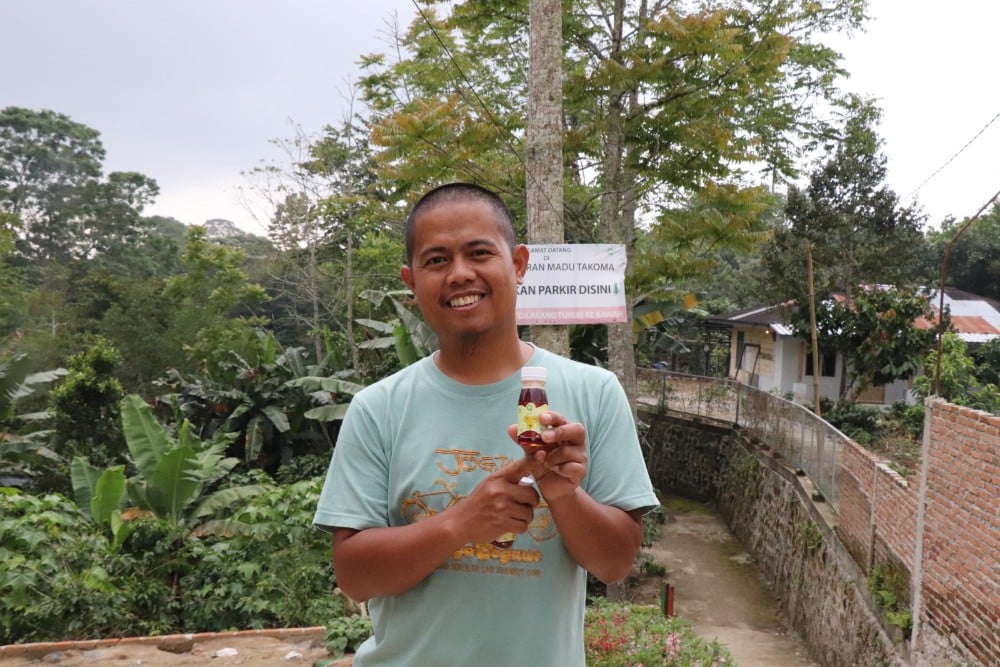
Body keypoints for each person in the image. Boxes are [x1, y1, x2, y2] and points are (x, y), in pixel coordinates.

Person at [313, 182, 658, 666]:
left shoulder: (594, 393)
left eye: (479, 252)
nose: (459, 274)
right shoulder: (378, 408)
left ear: (517, 264)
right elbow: (354, 575)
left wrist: (562, 492)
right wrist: (461, 522)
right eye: (435, 260)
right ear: (410, 281)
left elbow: (615, 563)